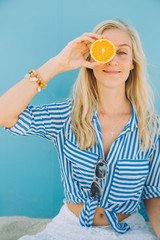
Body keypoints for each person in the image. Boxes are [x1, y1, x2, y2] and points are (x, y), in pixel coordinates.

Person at [0, 19, 160, 240]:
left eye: (122, 52)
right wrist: (58, 63)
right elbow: (4, 114)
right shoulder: (66, 115)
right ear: (90, 60)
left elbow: (154, 196)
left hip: (128, 231)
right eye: (104, 51)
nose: (112, 60)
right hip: (68, 229)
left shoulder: (152, 128)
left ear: (133, 63)